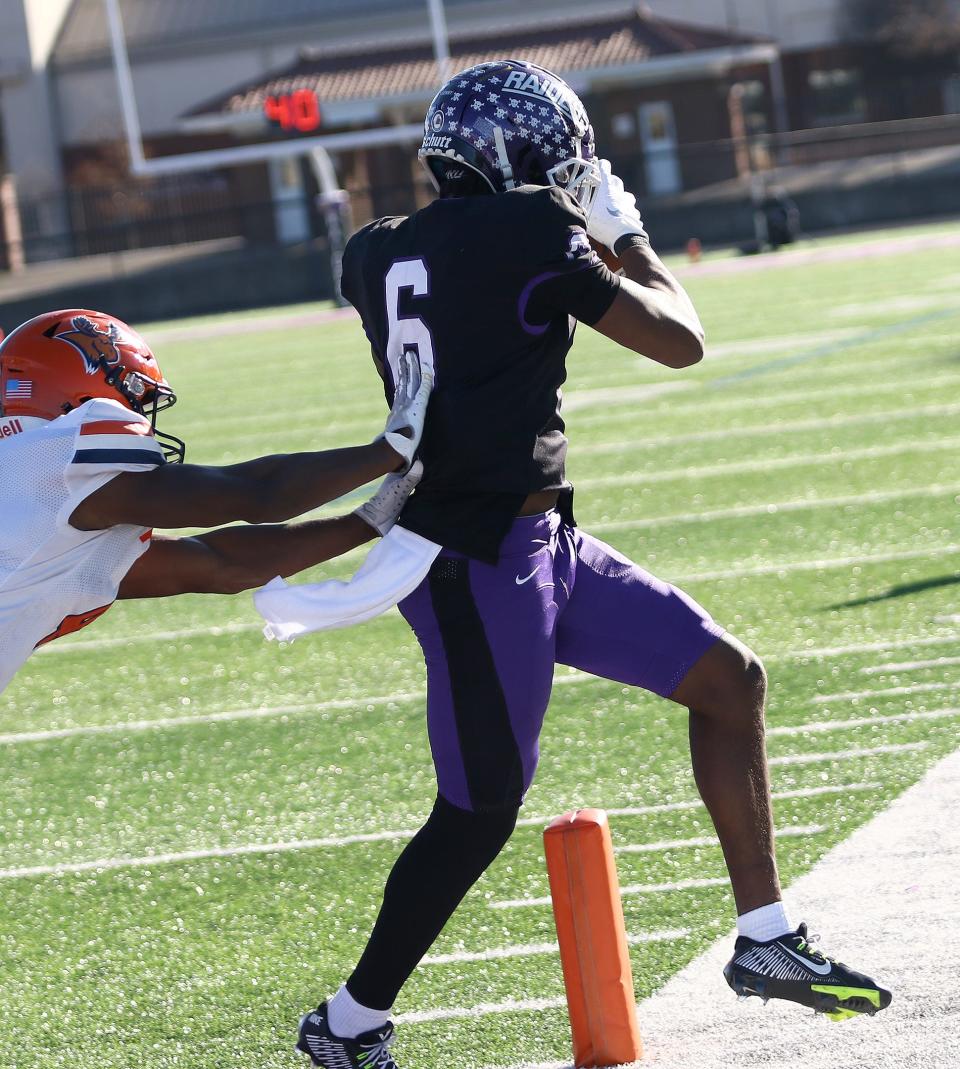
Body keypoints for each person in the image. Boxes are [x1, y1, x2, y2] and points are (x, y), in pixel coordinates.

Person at [294, 60, 891, 1069]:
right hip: (474, 557)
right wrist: (626, 236)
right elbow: (679, 340)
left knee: (727, 678)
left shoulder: (372, 251)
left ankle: (766, 938)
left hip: (538, 541)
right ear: (518, 156)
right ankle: (347, 1021)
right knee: (481, 807)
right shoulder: (531, 231)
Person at [0, 308, 430, 697]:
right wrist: (387, 452)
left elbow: (221, 563)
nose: (141, 418)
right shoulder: (51, 460)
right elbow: (253, 495)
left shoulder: (38, 500)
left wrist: (365, 521)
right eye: (133, 398)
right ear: (76, 390)